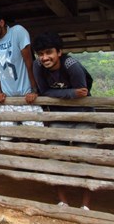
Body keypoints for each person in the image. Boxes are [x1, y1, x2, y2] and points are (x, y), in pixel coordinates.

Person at [32, 32, 95, 210]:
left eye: (49, 52)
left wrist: (73, 94)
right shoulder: (37, 65)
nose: (45, 57)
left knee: (86, 159)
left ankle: (85, 206)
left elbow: (82, 93)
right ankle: (63, 201)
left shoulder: (71, 65)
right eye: (41, 53)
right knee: (55, 158)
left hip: (82, 115)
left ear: (59, 52)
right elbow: (44, 91)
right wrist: (70, 93)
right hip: (58, 117)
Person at [0, 9, 43, 140]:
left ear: (1, 22)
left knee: (35, 136)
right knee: (7, 138)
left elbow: (29, 62)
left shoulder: (17, 32)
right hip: (7, 98)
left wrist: (34, 90)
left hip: (26, 95)